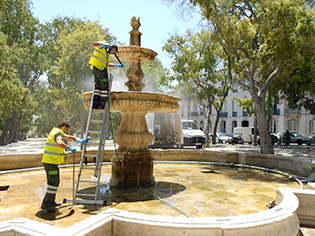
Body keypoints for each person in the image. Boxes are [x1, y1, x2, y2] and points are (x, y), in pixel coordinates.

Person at [41, 121, 88, 212]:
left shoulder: (56, 131)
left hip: (50, 162)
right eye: (67, 129)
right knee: (53, 183)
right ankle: (46, 204)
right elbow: (59, 143)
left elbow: (69, 137)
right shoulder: (58, 133)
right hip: (50, 162)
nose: (67, 131)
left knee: (54, 183)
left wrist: (79, 140)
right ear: (63, 127)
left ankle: (51, 202)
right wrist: (69, 148)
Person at [89, 40, 124, 109]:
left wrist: (117, 66)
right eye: (114, 52)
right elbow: (94, 44)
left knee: (98, 87)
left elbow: (108, 64)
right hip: (101, 70)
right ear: (113, 49)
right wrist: (104, 45)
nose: (113, 54)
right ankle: (102, 104)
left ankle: (95, 104)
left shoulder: (106, 55)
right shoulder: (103, 46)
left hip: (95, 69)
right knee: (105, 87)